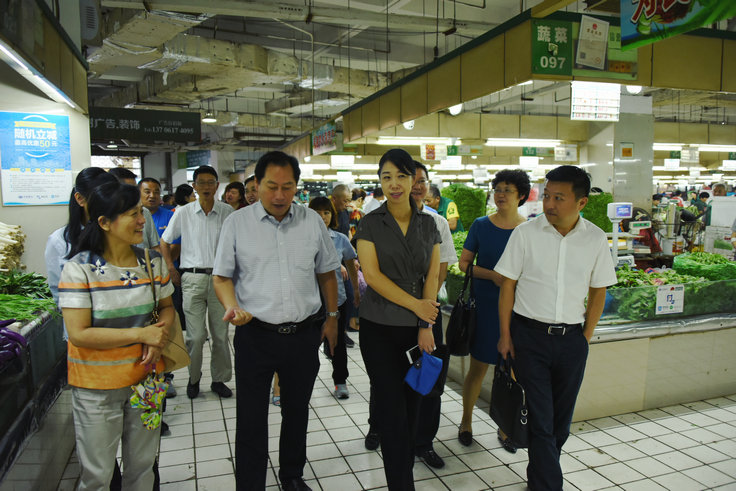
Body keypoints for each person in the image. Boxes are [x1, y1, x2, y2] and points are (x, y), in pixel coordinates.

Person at [212, 150, 340, 491]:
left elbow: (327, 273)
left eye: (288, 187)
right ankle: (250, 483)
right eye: (272, 186)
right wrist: (232, 306)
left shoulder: (311, 221)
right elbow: (221, 277)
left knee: (297, 410)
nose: (280, 195)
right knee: (251, 416)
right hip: (255, 334)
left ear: (297, 186)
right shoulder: (237, 223)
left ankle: (292, 475)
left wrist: (332, 318)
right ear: (257, 184)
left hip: (303, 335)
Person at [495, 165, 617, 491]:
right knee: (541, 420)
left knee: (560, 424)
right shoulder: (526, 234)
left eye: (559, 198)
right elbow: (508, 286)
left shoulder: (594, 238)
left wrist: (585, 338)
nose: (549, 204)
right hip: (529, 338)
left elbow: (599, 290)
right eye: (547, 195)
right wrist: (505, 335)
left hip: (571, 340)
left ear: (581, 202)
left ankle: (539, 478)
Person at [58, 180, 174, 490]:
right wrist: (142, 334)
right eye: (132, 214)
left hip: (147, 382)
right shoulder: (79, 269)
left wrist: (159, 337)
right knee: (98, 474)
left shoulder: (152, 262)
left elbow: (167, 308)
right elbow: (79, 333)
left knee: (143, 467)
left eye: (140, 212)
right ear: (104, 222)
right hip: (96, 388)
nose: (141, 220)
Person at [355, 148, 441, 490]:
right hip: (378, 328)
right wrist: (416, 306)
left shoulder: (429, 224)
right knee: (392, 411)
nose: (394, 184)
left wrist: (425, 324)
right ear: (380, 181)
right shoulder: (370, 223)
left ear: (413, 180)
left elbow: (432, 277)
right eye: (387, 177)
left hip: (416, 331)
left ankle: (403, 474)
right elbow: (372, 276)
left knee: (412, 407)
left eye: (401, 176)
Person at [457, 169, 531, 453]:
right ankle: (466, 422)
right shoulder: (481, 226)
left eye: (507, 190)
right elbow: (464, 264)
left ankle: (505, 427)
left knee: (511, 373)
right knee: (478, 368)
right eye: (497, 189)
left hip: (518, 310)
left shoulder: (529, 230)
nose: (500, 195)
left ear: (521, 196)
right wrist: (493, 276)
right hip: (486, 308)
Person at [160, 165, 234, 399]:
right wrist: (170, 267)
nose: (206, 187)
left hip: (221, 279)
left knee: (220, 335)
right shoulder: (183, 212)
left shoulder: (228, 212)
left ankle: (219, 379)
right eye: (201, 183)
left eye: (211, 182)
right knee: (195, 336)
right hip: (191, 278)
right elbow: (165, 241)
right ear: (194, 186)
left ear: (217, 185)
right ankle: (193, 379)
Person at [410, 161, 458, 469]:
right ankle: (384, 430)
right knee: (391, 379)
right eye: (411, 179)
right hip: (393, 314)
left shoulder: (437, 222)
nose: (417, 186)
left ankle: (424, 442)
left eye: (422, 181)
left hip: (429, 312)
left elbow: (442, 271)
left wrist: (425, 311)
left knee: (428, 378)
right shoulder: (381, 221)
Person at [309, 197, 360, 399]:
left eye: (326, 212)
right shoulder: (302, 239)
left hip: (337, 300)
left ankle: (340, 381)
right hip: (310, 303)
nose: (323, 217)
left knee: (337, 344)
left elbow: (351, 265)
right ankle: (303, 383)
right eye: (317, 212)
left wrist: (356, 290)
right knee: (308, 345)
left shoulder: (340, 239)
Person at [46, 167, 117, 305]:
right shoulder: (59, 241)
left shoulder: (120, 234)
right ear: (80, 199)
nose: (109, 205)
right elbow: (58, 293)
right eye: (101, 198)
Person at [139, 177, 179, 400]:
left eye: (155, 191)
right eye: (147, 191)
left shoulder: (157, 215)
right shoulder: (87, 268)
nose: (140, 221)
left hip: (151, 292)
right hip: (109, 374)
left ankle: (162, 381)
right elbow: (80, 332)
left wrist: (164, 273)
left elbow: (157, 247)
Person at [108, 167, 161, 251]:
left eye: (135, 189)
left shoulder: (145, 212)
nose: (142, 221)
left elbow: (155, 246)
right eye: (129, 190)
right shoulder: (107, 216)